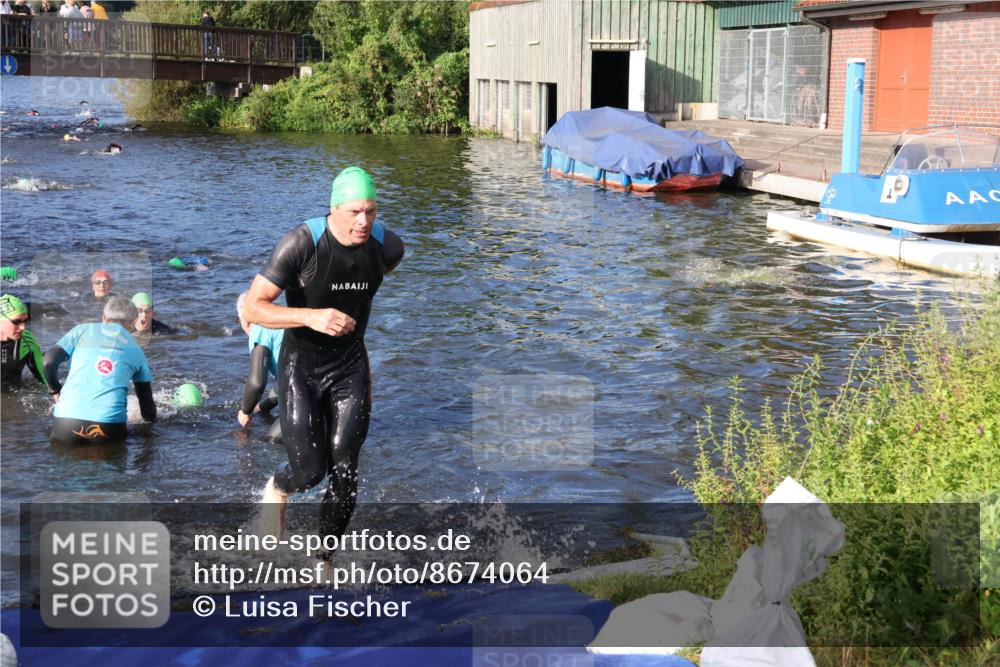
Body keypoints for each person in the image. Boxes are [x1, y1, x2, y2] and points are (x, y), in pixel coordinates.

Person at [243, 166, 403, 547]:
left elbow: (374, 274)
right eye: (355, 212)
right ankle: (278, 486)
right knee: (310, 472)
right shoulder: (302, 244)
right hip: (301, 367)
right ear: (334, 209)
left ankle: (324, 560)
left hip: (350, 366)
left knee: (346, 471)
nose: (364, 221)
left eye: (371, 211)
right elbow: (252, 308)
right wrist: (310, 316)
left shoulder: (387, 247)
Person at [43, 296, 155, 443]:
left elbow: (48, 362)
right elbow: (146, 405)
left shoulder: (81, 330)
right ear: (133, 323)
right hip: (109, 428)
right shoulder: (137, 351)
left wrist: (55, 390)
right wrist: (150, 432)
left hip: (65, 423)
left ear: (103, 317)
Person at [236, 291, 283, 440]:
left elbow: (257, 383)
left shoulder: (260, 329)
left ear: (245, 318)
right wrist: (261, 407)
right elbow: (289, 380)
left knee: (270, 440)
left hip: (309, 395)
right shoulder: (284, 319)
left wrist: (245, 411)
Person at [0, 295, 49, 392]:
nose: (23, 327)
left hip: (13, 396)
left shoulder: (27, 341)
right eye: (16, 322)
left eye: (25, 321)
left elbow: (45, 380)